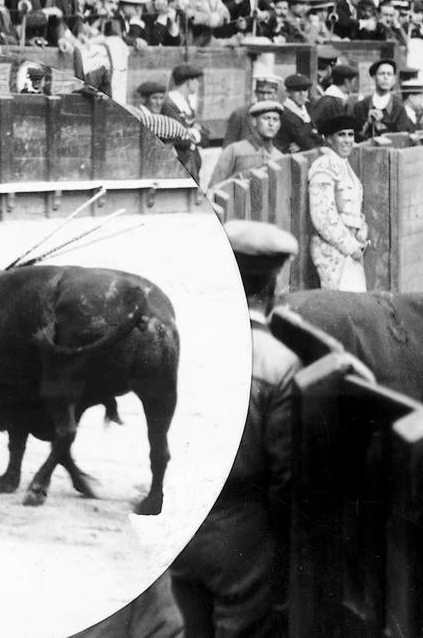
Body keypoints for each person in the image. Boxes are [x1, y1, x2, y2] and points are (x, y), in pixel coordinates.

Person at [169, 219, 300, 636]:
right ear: (272, 288)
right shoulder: (278, 363)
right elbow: (286, 478)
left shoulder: (185, 343)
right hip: (243, 533)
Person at [308, 114, 368, 292]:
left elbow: (353, 210)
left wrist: (361, 230)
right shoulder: (324, 166)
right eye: (341, 135)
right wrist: (350, 246)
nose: (348, 140)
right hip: (333, 251)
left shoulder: (344, 165)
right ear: (328, 139)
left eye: (351, 135)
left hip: (350, 247)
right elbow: (323, 217)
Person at [209, 100, 282, 193]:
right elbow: (213, 187)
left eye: (275, 119)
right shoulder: (234, 150)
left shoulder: (279, 157)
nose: (271, 124)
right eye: (266, 118)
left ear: (279, 125)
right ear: (254, 121)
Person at [275, 73, 320, 154]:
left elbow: (318, 138)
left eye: (305, 90)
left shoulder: (305, 109)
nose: (302, 94)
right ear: (288, 92)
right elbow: (306, 143)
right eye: (297, 90)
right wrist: (305, 144)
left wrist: (301, 146)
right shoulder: (285, 113)